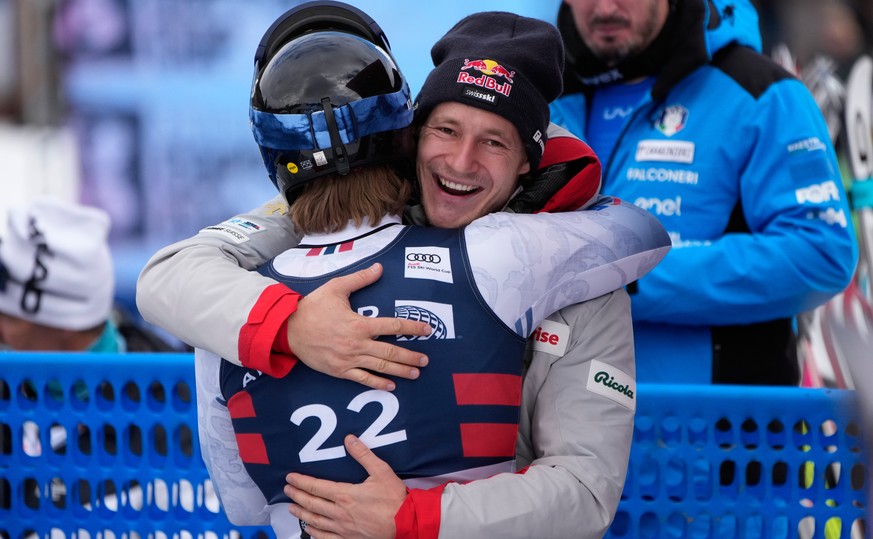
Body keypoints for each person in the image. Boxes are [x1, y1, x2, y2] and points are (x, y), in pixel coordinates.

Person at [137, 3, 663, 537]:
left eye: (494, 141)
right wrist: (293, 325)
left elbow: (585, 490)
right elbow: (170, 276)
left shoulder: (587, 283)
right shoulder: (302, 237)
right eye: (446, 130)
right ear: (410, 135)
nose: (461, 162)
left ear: (529, 159)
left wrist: (415, 518)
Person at [550, 0, 858, 385]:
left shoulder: (761, 91)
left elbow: (821, 252)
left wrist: (631, 277)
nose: (605, 7)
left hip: (709, 428)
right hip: (558, 428)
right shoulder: (543, 96)